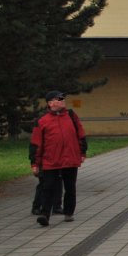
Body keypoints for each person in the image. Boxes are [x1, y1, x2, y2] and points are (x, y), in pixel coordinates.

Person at [30, 91, 87, 226]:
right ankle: (44, 214)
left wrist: (82, 152)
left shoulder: (71, 116)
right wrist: (35, 163)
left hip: (70, 159)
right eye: (59, 98)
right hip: (51, 160)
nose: (62, 100)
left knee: (70, 187)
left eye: (63, 98)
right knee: (48, 187)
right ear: (50, 103)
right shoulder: (42, 121)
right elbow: (36, 143)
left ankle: (68, 212)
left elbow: (81, 134)